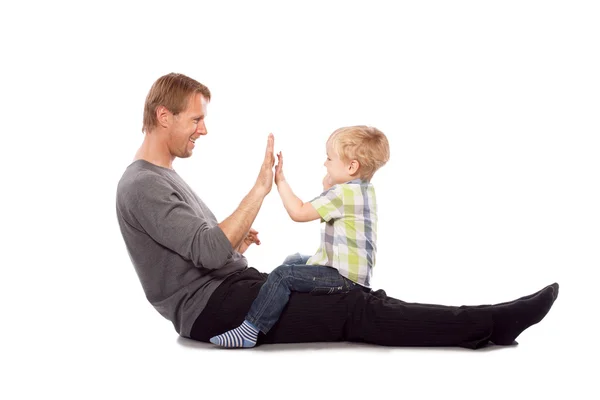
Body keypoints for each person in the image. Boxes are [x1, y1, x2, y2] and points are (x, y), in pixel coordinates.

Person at [116, 72, 558, 350]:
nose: (204, 129)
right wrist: (260, 190)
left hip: (233, 289)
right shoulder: (141, 184)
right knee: (357, 310)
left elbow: (200, 245)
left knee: (350, 296)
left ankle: (485, 322)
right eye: (195, 119)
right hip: (213, 311)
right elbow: (209, 251)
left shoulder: (162, 177)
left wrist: (236, 237)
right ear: (164, 116)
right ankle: (490, 323)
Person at [209, 126, 389, 348]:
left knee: (284, 275)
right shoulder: (364, 190)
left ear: (352, 166)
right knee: (294, 260)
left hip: (345, 278)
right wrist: (328, 185)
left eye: (329, 159)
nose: (325, 164)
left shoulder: (342, 194)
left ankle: (250, 330)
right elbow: (333, 208)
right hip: (349, 271)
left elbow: (299, 212)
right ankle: (277, 302)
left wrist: (281, 182)